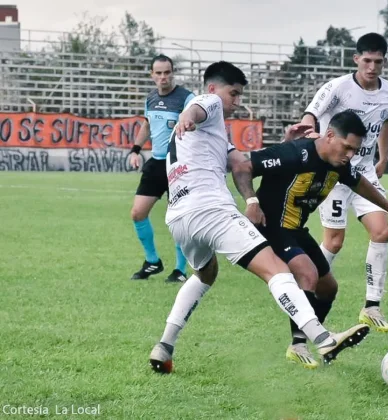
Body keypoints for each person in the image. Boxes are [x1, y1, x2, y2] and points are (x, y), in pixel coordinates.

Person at [148, 61, 370, 374]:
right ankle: (321, 338)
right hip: (211, 210)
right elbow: (198, 108)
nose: (236, 101)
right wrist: (188, 114)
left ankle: (164, 345)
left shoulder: (217, 136)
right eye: (233, 93)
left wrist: (287, 144)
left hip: (180, 217)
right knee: (277, 269)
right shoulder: (207, 103)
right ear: (213, 88)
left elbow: (243, 162)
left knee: (205, 274)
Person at [230, 110, 388, 369]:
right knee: (307, 274)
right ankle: (299, 345)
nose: (350, 155)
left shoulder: (339, 164)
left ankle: (311, 342)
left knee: (328, 288)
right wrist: (252, 202)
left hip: (295, 229)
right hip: (271, 226)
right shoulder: (295, 154)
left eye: (355, 150)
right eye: (347, 147)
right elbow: (244, 165)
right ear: (330, 135)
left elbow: (361, 184)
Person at [296, 33, 388, 332]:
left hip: (364, 172)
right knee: (334, 242)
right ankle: (305, 288)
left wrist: (384, 155)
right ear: (356, 59)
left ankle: (372, 305)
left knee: (381, 231)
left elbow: (386, 120)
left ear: (384, 61)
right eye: (366, 61)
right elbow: (310, 115)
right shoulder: (338, 87)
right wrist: (311, 135)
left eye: (378, 62)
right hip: (334, 173)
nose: (372, 67)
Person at [129, 54, 195, 283]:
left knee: (177, 219)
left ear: (172, 73)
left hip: (178, 163)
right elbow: (147, 125)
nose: (163, 77)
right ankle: (152, 262)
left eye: (167, 72)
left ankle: (180, 270)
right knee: (138, 213)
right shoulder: (150, 98)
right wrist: (136, 149)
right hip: (156, 163)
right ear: (152, 75)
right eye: (158, 73)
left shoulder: (187, 98)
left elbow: (197, 124)